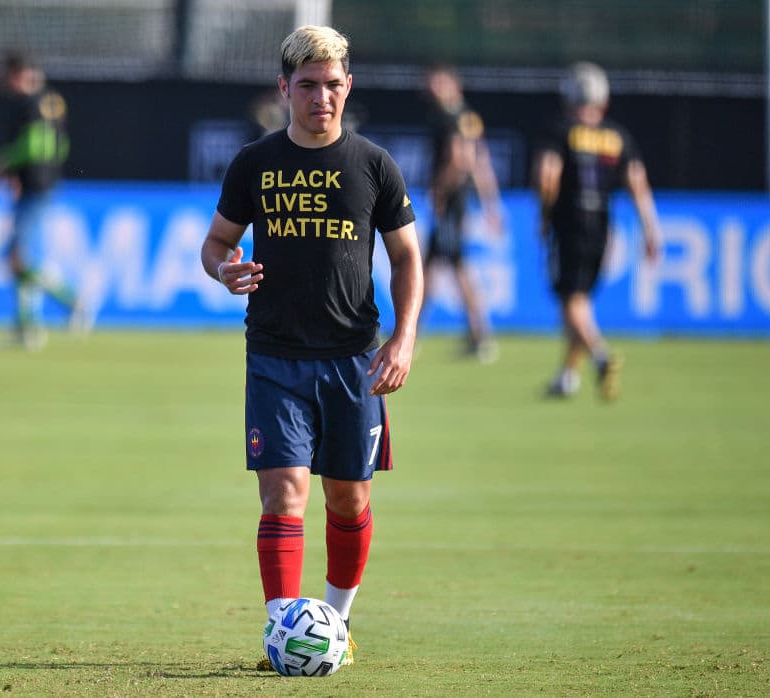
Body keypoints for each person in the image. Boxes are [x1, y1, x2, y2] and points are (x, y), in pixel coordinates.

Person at [199, 25, 423, 669]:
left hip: (355, 358)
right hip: (273, 356)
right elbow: (216, 244)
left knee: (348, 498)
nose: (321, 98)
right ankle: (281, 634)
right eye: (307, 86)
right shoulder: (254, 163)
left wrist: (403, 339)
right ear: (283, 89)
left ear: (348, 87)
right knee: (284, 494)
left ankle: (337, 623)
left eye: (332, 86)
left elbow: (408, 257)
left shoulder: (374, 165)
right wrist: (223, 270)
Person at [534, 62, 660, 399]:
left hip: (569, 222)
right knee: (581, 301)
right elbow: (638, 183)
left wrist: (545, 215)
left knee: (570, 301)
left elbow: (548, 175)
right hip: (603, 225)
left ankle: (601, 356)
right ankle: (567, 376)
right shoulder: (617, 135)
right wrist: (651, 229)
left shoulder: (561, 130)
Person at [0, 51, 81, 350]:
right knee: (18, 258)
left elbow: (35, 143)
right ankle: (27, 328)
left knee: (17, 258)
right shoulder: (53, 100)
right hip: (44, 185)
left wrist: (5, 161)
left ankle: (71, 301)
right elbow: (60, 146)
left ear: (16, 74)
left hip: (34, 189)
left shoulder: (28, 103)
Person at [421, 66, 503, 363]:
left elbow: (462, 158)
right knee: (443, 266)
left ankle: (477, 335)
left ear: (453, 83)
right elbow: (481, 161)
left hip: (452, 200)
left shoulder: (451, 117)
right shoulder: (467, 116)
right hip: (460, 200)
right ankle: (477, 334)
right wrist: (491, 203)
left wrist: (440, 191)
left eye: (439, 80)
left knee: (445, 267)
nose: (433, 86)